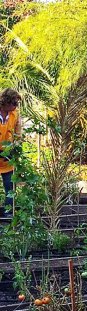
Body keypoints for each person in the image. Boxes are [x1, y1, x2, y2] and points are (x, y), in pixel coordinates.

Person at [0, 88, 22, 218]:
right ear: (6, 102)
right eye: (14, 103)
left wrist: (14, 148)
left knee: (10, 187)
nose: (16, 106)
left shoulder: (16, 115)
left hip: (8, 158)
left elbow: (18, 135)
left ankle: (8, 215)